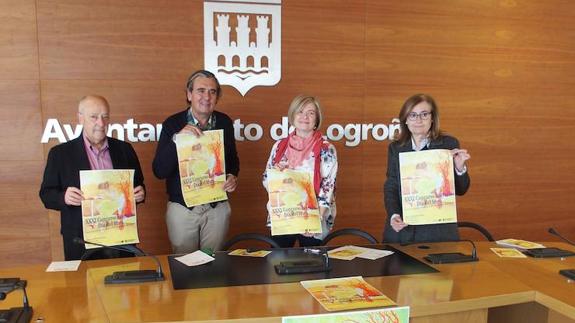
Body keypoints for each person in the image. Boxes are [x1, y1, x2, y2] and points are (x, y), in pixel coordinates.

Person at [39, 95, 146, 260]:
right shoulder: (60, 154)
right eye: (94, 117)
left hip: (121, 236)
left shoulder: (125, 149)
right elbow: (46, 195)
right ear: (80, 118)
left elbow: (138, 185)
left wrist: (139, 194)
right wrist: (64, 197)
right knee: (82, 285)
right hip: (81, 240)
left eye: (105, 117)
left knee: (124, 284)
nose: (101, 123)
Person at [153, 70, 239, 254]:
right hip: (183, 208)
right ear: (189, 94)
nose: (206, 97)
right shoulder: (172, 124)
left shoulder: (224, 122)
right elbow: (159, 171)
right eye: (201, 90)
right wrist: (177, 140)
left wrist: (232, 176)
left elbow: (232, 160)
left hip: (216, 207)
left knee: (214, 262)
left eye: (212, 91)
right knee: (185, 263)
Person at [383, 94, 470, 243]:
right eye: (413, 115)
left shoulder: (448, 144)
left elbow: (461, 189)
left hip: (438, 234)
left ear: (432, 118)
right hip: (404, 231)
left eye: (424, 114)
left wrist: (459, 168)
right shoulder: (396, 148)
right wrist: (393, 215)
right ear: (405, 119)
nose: (418, 120)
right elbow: (391, 185)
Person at [263, 95, 338, 247]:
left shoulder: (326, 149)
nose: (305, 117)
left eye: (310, 113)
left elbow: (327, 188)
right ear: (293, 115)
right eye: (300, 112)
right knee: (278, 262)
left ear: (317, 119)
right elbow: (266, 178)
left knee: (312, 265)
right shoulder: (279, 146)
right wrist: (277, 176)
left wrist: (314, 219)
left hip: (314, 216)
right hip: (284, 214)